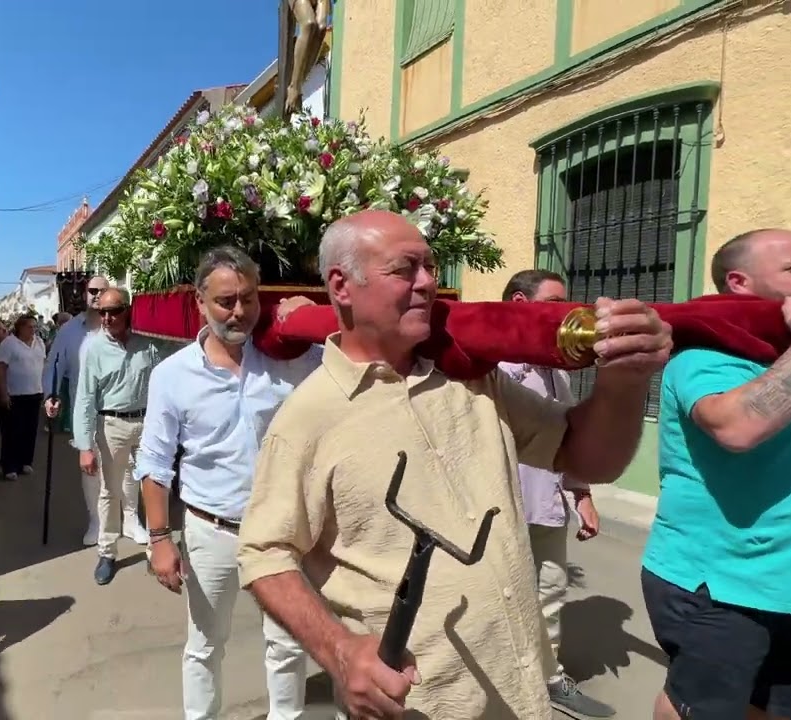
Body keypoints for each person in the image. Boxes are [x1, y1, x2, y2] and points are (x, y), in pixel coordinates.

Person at [236, 210, 672, 720]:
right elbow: (264, 552)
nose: (427, 283)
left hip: (522, 695)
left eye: (430, 266)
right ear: (341, 286)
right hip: (418, 703)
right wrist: (339, 650)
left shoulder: (474, 381)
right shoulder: (308, 418)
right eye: (405, 269)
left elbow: (588, 458)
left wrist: (624, 383)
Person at [641, 228, 791, 720]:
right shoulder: (706, 354)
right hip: (723, 584)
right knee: (700, 708)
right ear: (739, 282)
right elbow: (736, 427)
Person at [137, 247, 321, 720]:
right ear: (200, 302)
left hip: (282, 532)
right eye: (225, 301)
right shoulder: (172, 376)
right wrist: (159, 540)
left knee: (287, 643)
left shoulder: (293, 360)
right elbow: (155, 462)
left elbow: (352, 359)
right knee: (205, 645)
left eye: (248, 298)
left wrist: (315, 319)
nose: (239, 311)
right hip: (211, 531)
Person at [496, 269, 615, 719]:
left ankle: (548, 681)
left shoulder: (555, 369)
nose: (566, 311)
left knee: (549, 591)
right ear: (521, 304)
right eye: (554, 302)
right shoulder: (490, 366)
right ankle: (500, 686)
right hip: (499, 508)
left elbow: (567, 434)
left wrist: (581, 494)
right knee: (497, 597)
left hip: (546, 505)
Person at [74, 287, 159, 583]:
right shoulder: (95, 348)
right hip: (111, 425)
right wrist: (85, 446)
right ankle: (107, 552)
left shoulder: (148, 342)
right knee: (109, 491)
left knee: (155, 486)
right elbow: (85, 398)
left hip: (148, 422)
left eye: (114, 311)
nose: (107, 318)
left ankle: (157, 548)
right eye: (102, 312)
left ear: (128, 310)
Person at [44, 275, 115, 546]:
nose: (96, 295)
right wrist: (50, 395)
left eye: (102, 290)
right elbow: (54, 365)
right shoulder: (70, 331)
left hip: (120, 409)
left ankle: (124, 518)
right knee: (91, 468)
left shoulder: (121, 324)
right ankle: (96, 521)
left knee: (123, 468)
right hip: (83, 410)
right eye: (92, 290)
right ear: (85, 293)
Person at [0, 314, 46, 480]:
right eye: (30, 327)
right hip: (15, 394)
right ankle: (10, 466)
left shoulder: (39, 342)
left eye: (35, 327)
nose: (33, 330)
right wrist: (3, 393)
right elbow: (0, 369)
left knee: (30, 430)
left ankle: (26, 461)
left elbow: (42, 365)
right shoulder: (9, 343)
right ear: (20, 328)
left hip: (35, 393)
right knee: (12, 432)